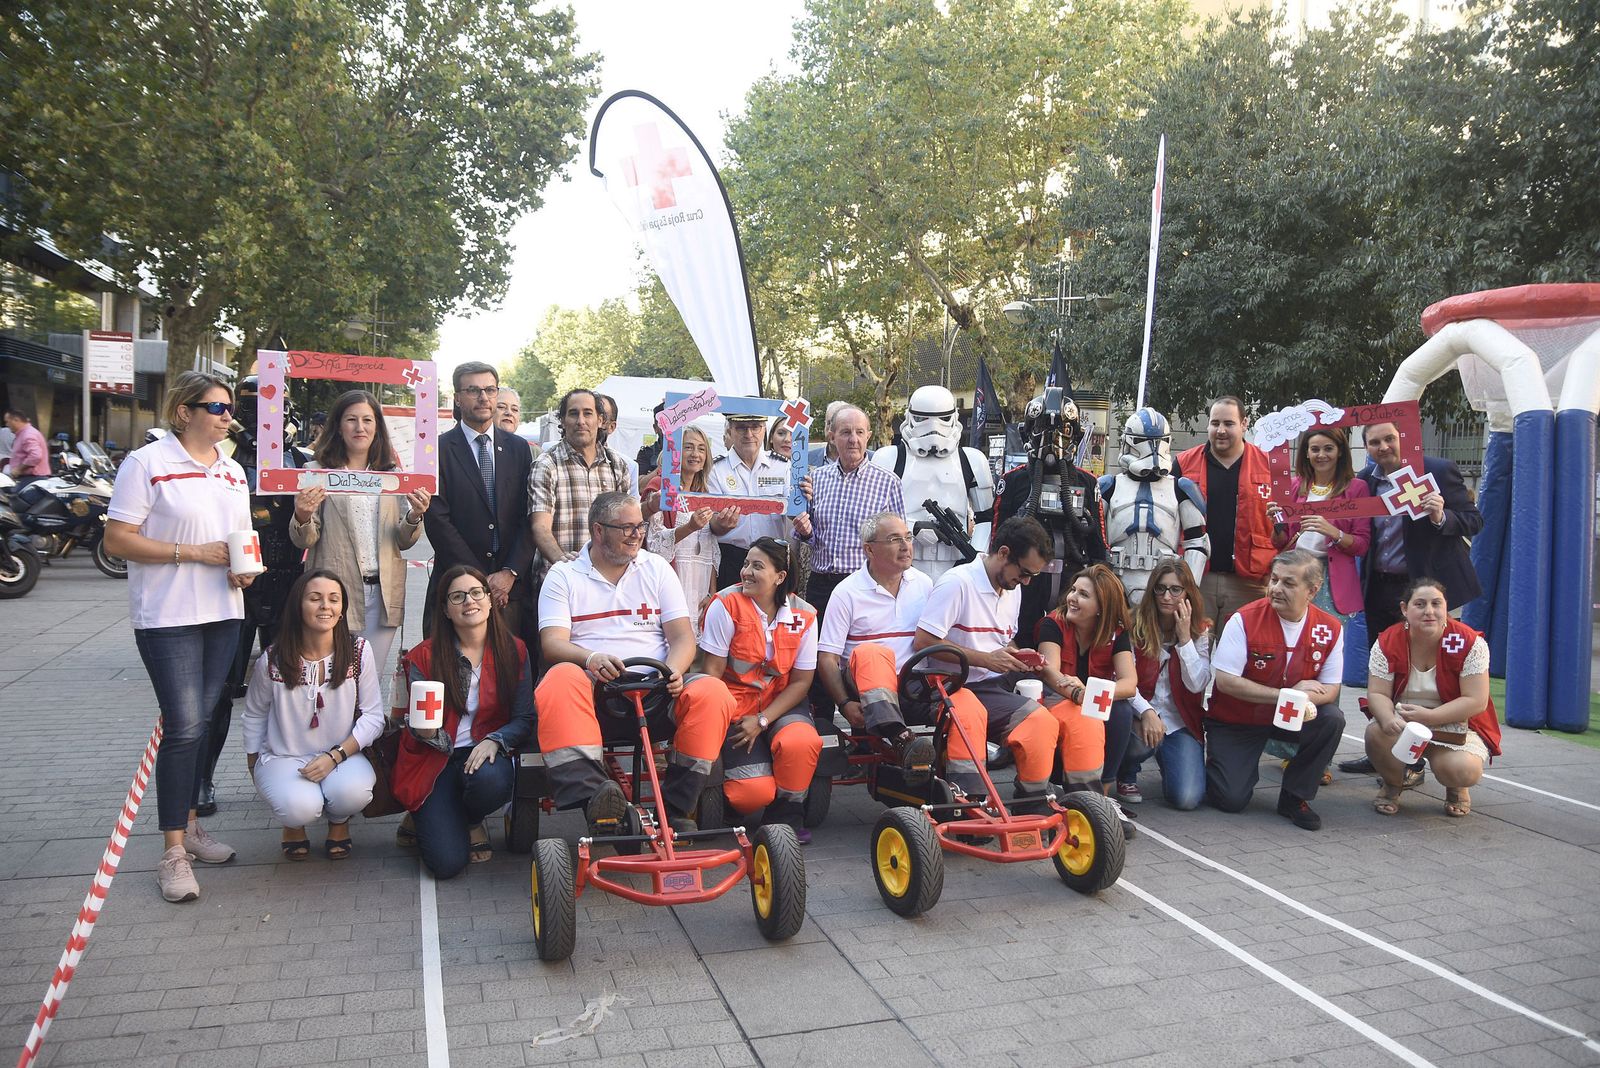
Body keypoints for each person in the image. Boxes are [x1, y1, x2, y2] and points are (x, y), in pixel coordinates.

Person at [105, 371, 254, 902]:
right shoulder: (146, 463)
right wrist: (191, 553)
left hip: (225, 611)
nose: (226, 415)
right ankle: (172, 851)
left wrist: (241, 568)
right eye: (215, 407)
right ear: (184, 411)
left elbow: (237, 539)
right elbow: (118, 538)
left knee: (209, 718)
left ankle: (190, 828)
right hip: (168, 616)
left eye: (228, 407)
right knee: (185, 727)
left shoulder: (234, 470)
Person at [536, 492, 734, 834]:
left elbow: (684, 638)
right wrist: (591, 658)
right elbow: (552, 643)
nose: (637, 534)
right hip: (597, 700)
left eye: (639, 526)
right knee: (560, 678)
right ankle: (597, 799)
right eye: (626, 528)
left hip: (657, 693)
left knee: (713, 692)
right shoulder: (564, 575)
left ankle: (675, 806)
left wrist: (674, 670)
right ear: (598, 531)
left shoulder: (655, 567)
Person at [1338, 422, 1483, 776]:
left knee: (1427, 674)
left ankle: (1423, 753)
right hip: (1381, 587)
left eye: (1390, 438)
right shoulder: (1364, 481)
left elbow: (1473, 520)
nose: (1384, 447)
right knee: (1383, 670)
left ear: (1405, 438)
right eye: (1375, 442)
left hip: (1426, 592)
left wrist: (1440, 515)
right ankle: (1384, 750)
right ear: (1366, 447)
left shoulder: (1435, 470)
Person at [816, 512, 989, 794]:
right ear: (869, 549)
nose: (906, 545)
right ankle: (901, 738)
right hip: (867, 687)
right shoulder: (846, 592)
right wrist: (845, 704)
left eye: (908, 537)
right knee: (873, 653)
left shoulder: (923, 583)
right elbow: (827, 659)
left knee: (967, 703)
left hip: (916, 684)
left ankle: (968, 796)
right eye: (895, 539)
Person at [394, 564, 536, 877]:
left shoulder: (515, 651)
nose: (468, 602)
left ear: (489, 599)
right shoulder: (422, 657)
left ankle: (470, 820)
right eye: (457, 597)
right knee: (447, 865)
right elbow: (415, 727)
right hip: (434, 760)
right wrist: (425, 732)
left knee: (493, 780)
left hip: (482, 753)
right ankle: (428, 813)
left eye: (475, 593)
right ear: (444, 609)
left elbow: (524, 718)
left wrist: (494, 740)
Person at [911, 516, 1061, 811]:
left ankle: (1032, 799)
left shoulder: (1012, 590)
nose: (1028, 582)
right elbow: (924, 642)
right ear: (1003, 553)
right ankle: (967, 802)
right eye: (1025, 572)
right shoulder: (957, 583)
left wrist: (1016, 655)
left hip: (988, 686)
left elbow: (1002, 641)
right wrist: (986, 660)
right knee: (971, 714)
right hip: (947, 685)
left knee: (1041, 721)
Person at [290, 389, 431, 694]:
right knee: (332, 681)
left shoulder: (393, 475)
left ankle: (361, 743)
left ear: (378, 427)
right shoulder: (315, 473)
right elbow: (306, 538)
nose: (360, 427)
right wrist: (302, 514)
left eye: (368, 420)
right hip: (334, 594)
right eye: (351, 419)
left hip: (382, 595)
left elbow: (403, 541)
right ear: (338, 426)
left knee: (369, 683)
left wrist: (415, 517)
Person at [242, 571, 385, 859]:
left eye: (334, 599)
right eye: (315, 598)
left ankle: (339, 821)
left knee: (353, 793)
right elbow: (255, 714)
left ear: (342, 610)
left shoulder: (359, 652)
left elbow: (373, 717)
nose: (325, 606)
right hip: (285, 757)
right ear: (298, 606)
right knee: (300, 807)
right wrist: (253, 762)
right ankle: (293, 823)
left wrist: (336, 756)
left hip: (341, 755)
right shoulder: (273, 659)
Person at [1207, 549, 1346, 830]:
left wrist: (1297, 698)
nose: (1276, 589)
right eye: (1274, 580)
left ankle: (1295, 797)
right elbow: (1226, 682)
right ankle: (1220, 764)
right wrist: (1287, 694)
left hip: (1292, 718)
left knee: (1332, 719)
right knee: (1230, 800)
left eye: (1289, 583)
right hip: (1238, 720)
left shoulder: (1330, 628)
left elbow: (1330, 690)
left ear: (1313, 590)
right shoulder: (1243, 619)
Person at [700, 537, 824, 841]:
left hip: (781, 702)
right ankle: (736, 800)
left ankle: (787, 813)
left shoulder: (805, 614)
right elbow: (711, 674)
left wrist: (764, 720)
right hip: (735, 707)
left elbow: (801, 682)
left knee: (802, 741)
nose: (746, 572)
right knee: (750, 794)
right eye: (745, 564)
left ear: (780, 577)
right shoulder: (725, 604)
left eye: (757, 566)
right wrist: (724, 727)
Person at [796, 405, 905, 722]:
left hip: (864, 586)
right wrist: (804, 531)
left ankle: (867, 733)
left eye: (859, 432)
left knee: (860, 660)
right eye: (845, 432)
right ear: (831, 436)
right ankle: (823, 731)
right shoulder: (816, 480)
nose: (853, 439)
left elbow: (898, 539)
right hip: (823, 583)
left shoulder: (888, 482)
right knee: (820, 659)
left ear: (869, 435)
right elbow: (812, 535)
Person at [1365, 577, 1501, 817]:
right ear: (1404, 609)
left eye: (1436, 604)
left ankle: (1455, 786)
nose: (1429, 611)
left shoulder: (1470, 642)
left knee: (1463, 770)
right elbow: (1377, 692)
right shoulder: (1387, 640)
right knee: (1376, 733)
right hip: (1404, 722)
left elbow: (1476, 700)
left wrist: (1430, 716)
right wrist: (1387, 719)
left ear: (1446, 607)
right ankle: (1393, 784)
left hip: (1455, 724)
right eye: (1420, 604)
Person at [422, 362, 534, 635]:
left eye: (490, 389)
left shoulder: (519, 449)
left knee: (511, 672)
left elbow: (529, 514)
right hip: (456, 588)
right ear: (458, 398)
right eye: (473, 390)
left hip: (510, 591)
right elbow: (437, 519)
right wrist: (477, 581)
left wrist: (509, 573)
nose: (484, 397)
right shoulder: (436, 450)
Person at [990, 390, 1107, 645]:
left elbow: (1099, 542)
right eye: (1042, 428)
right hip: (1025, 582)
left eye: (1063, 431)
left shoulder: (1087, 483)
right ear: (1028, 432)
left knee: (1068, 648)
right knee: (1022, 643)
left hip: (1073, 581)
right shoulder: (1014, 481)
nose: (1052, 439)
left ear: (1074, 434)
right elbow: (996, 541)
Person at [1036, 563, 1139, 835]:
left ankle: (1102, 798)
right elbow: (1050, 673)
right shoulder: (1052, 623)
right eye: (1073, 590)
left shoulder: (1116, 632)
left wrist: (1091, 691)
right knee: (1089, 713)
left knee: (1121, 712)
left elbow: (1129, 684)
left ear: (1101, 607)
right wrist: (1078, 694)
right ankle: (1054, 787)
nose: (1072, 597)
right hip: (1056, 704)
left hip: (1088, 704)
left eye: (1083, 595)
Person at [870, 385, 995, 582]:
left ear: (953, 416)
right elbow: (873, 518)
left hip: (957, 564)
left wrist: (975, 559)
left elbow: (986, 518)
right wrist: (913, 528)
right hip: (902, 565)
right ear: (910, 417)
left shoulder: (972, 460)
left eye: (942, 418)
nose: (933, 427)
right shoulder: (889, 458)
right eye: (922, 419)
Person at [1177, 396, 1277, 639]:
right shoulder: (1182, 464)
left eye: (1229, 423)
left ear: (1244, 424)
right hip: (1198, 579)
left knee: (1242, 654)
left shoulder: (1269, 466)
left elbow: (1285, 524)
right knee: (1193, 651)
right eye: (1215, 423)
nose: (1220, 430)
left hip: (1249, 582)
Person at [1117, 559, 1212, 810]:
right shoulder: (1134, 625)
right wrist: (1146, 711)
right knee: (1132, 730)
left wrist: (1184, 640)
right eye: (1160, 588)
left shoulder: (1200, 632)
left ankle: (1168, 758)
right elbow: (1122, 679)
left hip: (1178, 721)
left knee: (1187, 798)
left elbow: (1197, 684)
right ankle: (1126, 773)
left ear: (1188, 593)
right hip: (1139, 714)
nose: (1166, 596)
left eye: (1175, 590)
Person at [1098, 408, 1209, 604]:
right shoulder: (1109, 486)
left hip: (1163, 588)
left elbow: (1197, 543)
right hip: (1114, 583)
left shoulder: (1181, 488)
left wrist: (1187, 592)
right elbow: (1092, 538)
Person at [1268, 426, 1371, 626]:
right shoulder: (1293, 486)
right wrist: (1277, 523)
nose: (1321, 455)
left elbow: (1362, 544)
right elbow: (1279, 542)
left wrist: (1334, 533)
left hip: (1331, 580)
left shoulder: (1357, 488)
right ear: (1306, 452)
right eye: (1315, 449)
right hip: (1293, 572)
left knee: (1326, 642)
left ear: (1340, 451)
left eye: (1328, 448)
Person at [529, 388, 633, 580]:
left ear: (600, 420)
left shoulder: (617, 466)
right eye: (573, 413)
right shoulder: (546, 465)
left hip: (607, 580)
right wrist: (565, 566)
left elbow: (625, 525)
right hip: (560, 582)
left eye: (588, 413)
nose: (581, 421)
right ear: (562, 420)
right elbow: (540, 528)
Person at [645, 423, 720, 634]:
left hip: (700, 584)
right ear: (674, 451)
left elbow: (710, 549)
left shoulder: (705, 491)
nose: (695, 454)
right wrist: (689, 527)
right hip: (672, 582)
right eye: (688, 447)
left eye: (701, 448)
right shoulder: (659, 487)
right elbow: (654, 545)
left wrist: (711, 593)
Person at [708, 413, 790, 590]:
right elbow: (711, 525)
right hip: (732, 559)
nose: (749, 434)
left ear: (764, 429)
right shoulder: (715, 469)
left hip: (772, 557)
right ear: (730, 430)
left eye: (755, 427)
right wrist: (721, 525)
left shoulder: (782, 466)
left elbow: (794, 514)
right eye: (741, 428)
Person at [594, 392, 640, 495]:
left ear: (612, 427)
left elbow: (632, 508)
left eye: (601, 417)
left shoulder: (627, 466)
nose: (593, 421)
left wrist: (651, 505)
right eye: (589, 413)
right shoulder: (550, 455)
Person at [2, 408, 49, 486]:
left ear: (16, 420)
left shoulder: (28, 434)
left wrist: (18, 469)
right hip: (28, 478)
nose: (7, 425)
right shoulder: (24, 433)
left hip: (32, 479)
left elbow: (35, 456)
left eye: (7, 422)